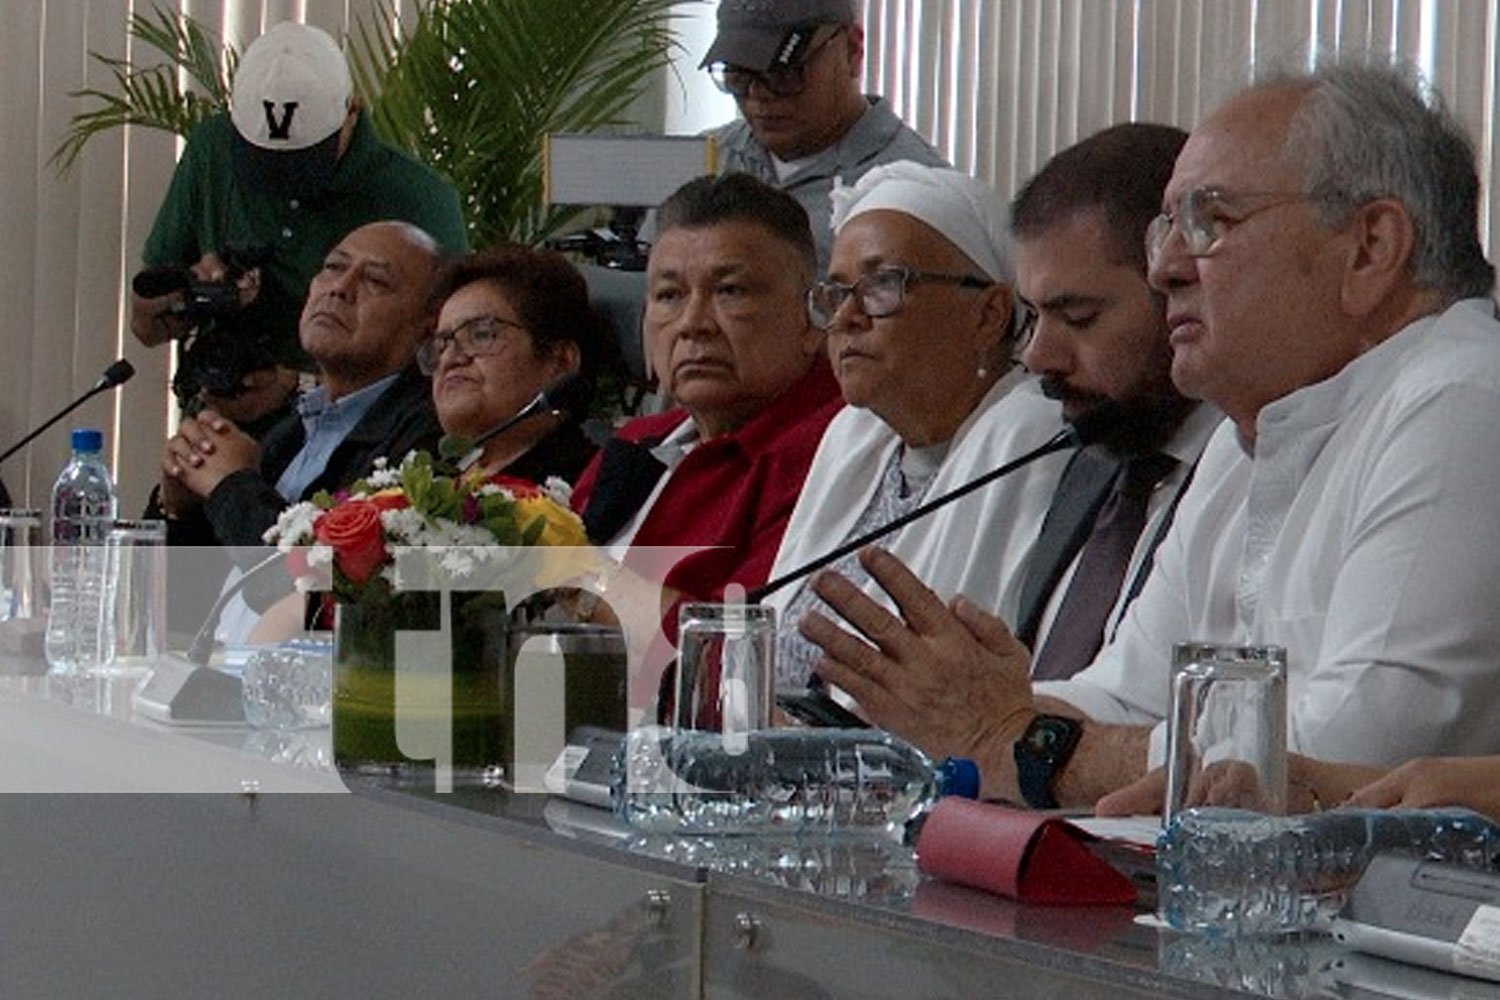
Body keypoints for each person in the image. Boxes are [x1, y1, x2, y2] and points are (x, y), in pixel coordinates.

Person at [798, 58, 1500, 809]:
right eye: (1169, 225)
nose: (1163, 265)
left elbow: (1336, 757)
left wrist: (1024, 740)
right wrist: (970, 720)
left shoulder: (1463, 396)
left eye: (1210, 221)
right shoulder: (1250, 431)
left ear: (1369, 247)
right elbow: (1127, 696)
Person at [767, 160, 1065, 690]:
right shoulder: (853, 436)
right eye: (836, 292)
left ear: (989, 313)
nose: (847, 317)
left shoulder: (1033, 435)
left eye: (884, 284)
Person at [132, 21, 467, 432]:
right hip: (214, 433)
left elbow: (448, 356)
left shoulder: (418, 198)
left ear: (351, 113)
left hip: (358, 447)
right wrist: (196, 293)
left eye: (304, 161)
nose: (282, 182)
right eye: (263, 161)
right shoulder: (213, 152)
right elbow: (144, 326)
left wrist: (299, 385)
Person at [570, 172, 843, 636]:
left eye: (729, 291)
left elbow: (744, 653)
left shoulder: (831, 451)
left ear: (814, 317)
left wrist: (579, 587)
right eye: (669, 296)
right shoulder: (639, 440)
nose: (692, 323)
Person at [1007, 123, 1223, 681]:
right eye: (1033, 317)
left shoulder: (1249, 469)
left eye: (1078, 317)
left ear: (1177, 289)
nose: (1038, 356)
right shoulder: (1090, 458)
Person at [159, 220, 445, 636]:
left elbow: (324, 598)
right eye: (332, 267)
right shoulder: (287, 432)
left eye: (376, 281)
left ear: (427, 326)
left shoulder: (423, 442)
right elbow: (187, 615)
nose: (339, 288)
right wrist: (181, 511)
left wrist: (232, 487)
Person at [701, 0, 948, 270]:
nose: (758, 95)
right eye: (739, 76)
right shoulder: (704, 159)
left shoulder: (920, 191)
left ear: (852, 51)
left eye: (785, 75)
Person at [418, 247, 600, 484]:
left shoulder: (590, 486)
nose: (450, 358)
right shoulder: (428, 481)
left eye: (482, 335)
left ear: (562, 361)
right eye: (442, 344)